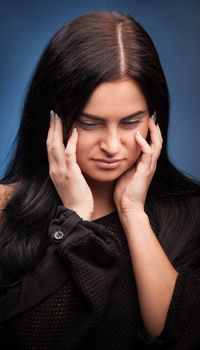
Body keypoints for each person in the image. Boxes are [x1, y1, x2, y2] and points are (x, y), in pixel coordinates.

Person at [0, 11, 200, 350]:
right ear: (53, 121)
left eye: (129, 122)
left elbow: (179, 335)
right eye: (89, 123)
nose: (111, 146)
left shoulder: (190, 213)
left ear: (154, 119)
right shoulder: (5, 209)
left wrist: (133, 213)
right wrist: (75, 218)